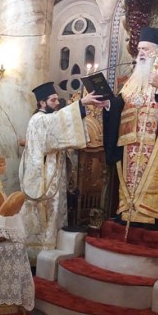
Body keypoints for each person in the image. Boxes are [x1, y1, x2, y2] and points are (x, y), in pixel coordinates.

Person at [102, 26, 158, 228]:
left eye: (145, 49)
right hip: (131, 139)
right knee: (130, 177)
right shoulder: (135, 75)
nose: (140, 53)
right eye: (139, 49)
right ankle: (129, 212)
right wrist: (108, 104)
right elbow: (122, 100)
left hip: (157, 139)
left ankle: (153, 217)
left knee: (151, 177)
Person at [19, 82, 108, 249]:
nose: (57, 103)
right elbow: (57, 121)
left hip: (51, 173)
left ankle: (49, 247)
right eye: (53, 100)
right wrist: (81, 103)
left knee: (54, 211)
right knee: (45, 212)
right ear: (42, 103)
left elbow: (59, 123)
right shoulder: (38, 119)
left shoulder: (46, 118)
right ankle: (38, 251)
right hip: (43, 176)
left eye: (57, 99)